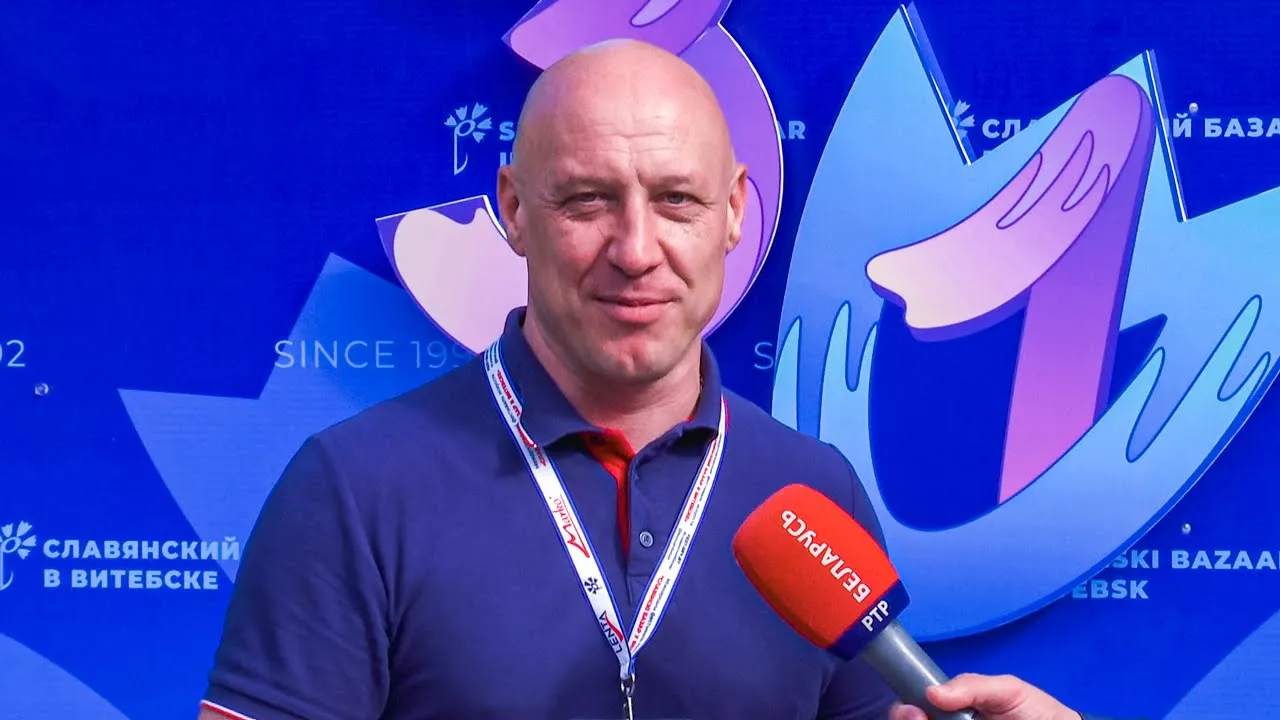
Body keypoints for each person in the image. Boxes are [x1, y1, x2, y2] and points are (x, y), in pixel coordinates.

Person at [197, 39, 1120, 720]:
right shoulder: (354, 487)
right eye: (588, 200)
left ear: (734, 213)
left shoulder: (812, 489)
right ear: (514, 210)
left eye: (676, 200)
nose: (636, 250)